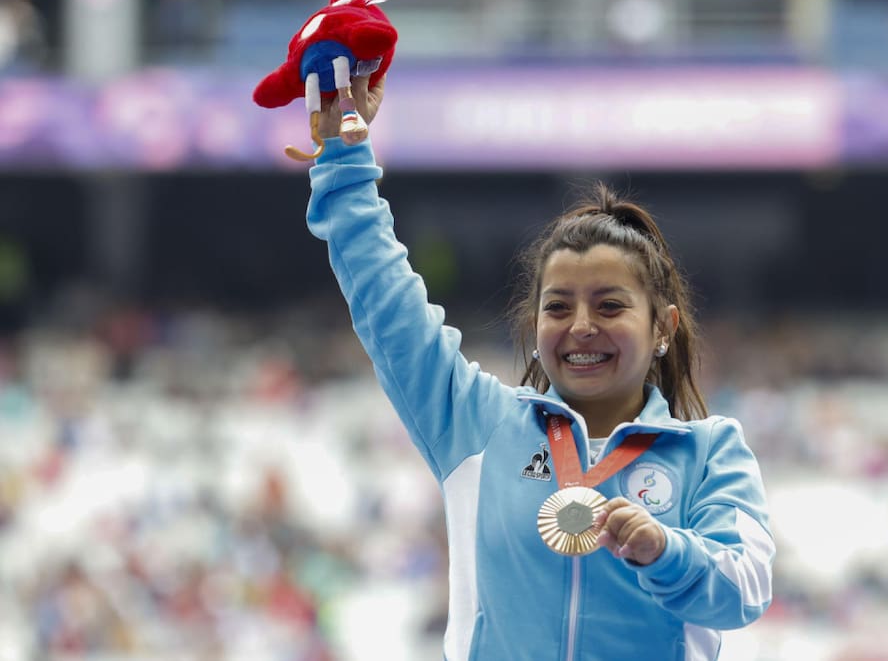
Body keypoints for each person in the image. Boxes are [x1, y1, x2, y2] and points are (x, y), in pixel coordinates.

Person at [305, 73, 774, 660]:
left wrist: (665, 550)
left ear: (663, 327)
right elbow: (385, 301)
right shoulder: (478, 424)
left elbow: (745, 588)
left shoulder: (709, 452)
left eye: (609, 305)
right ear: (534, 326)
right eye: (558, 307)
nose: (580, 326)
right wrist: (343, 157)